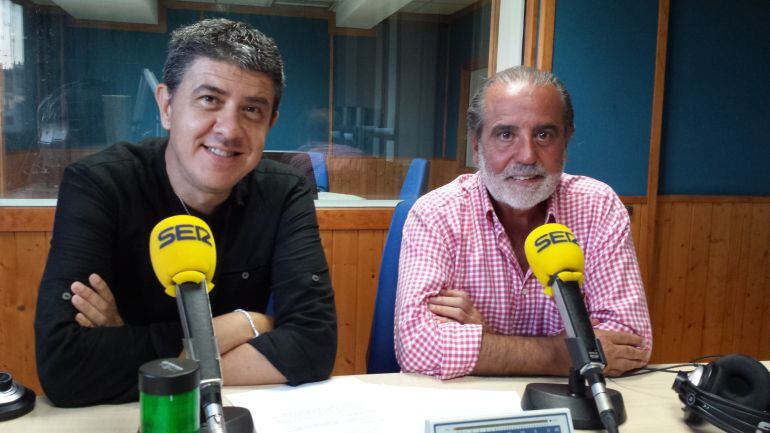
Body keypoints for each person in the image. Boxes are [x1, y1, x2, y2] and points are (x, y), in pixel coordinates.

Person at [34, 19, 337, 407]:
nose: (229, 129)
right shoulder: (99, 184)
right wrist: (245, 324)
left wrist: (136, 347)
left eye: (251, 109)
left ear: (270, 122)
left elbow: (314, 346)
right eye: (209, 99)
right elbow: (66, 368)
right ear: (167, 105)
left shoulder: (285, 191)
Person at [394, 66, 651, 380]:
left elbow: (630, 342)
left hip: (576, 405)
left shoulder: (598, 207)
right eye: (506, 135)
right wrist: (568, 354)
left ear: (566, 139)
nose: (527, 155)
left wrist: (487, 342)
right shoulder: (437, 213)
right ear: (476, 145)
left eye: (544, 134)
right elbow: (417, 346)